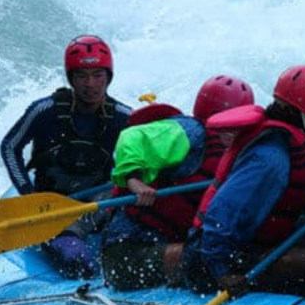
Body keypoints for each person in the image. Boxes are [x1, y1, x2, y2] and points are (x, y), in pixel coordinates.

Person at [182, 65, 305, 297]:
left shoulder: (282, 144)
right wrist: (221, 270)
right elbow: (223, 212)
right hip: (211, 258)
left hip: (243, 246)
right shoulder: (270, 159)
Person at [100, 76, 255, 291]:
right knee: (212, 262)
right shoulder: (189, 133)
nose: (234, 131)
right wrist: (134, 180)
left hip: (169, 245)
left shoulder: (240, 152)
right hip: (127, 253)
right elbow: (132, 137)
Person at [0, 34, 132, 278]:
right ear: (71, 78)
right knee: (74, 257)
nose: (90, 84)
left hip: (98, 202)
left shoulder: (124, 117)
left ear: (108, 77)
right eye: (82, 76)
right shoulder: (45, 110)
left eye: (97, 75)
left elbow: (144, 159)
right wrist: (28, 194)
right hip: (52, 204)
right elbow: (10, 146)